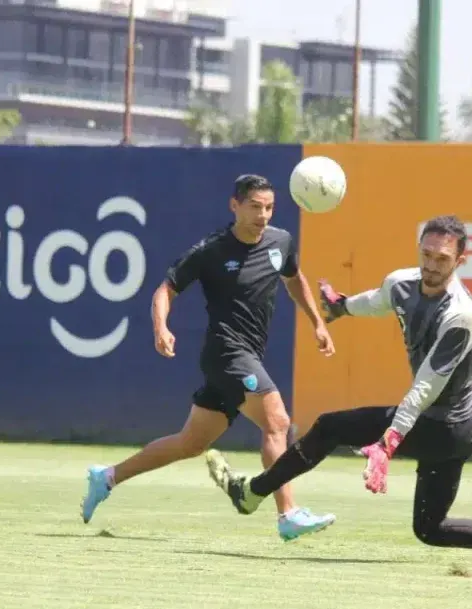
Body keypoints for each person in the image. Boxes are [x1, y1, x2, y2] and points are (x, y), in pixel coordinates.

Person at [204, 215, 472, 569]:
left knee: (330, 427)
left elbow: (426, 386)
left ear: (460, 261)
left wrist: (388, 442)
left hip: (447, 427)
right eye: (427, 254)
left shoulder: (460, 316)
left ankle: (251, 493)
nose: (432, 265)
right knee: (430, 529)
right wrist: (341, 307)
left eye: (442, 259)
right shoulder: (402, 283)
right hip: (445, 425)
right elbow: (378, 301)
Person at [81, 173, 339, 541]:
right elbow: (165, 289)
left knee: (191, 443)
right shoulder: (212, 249)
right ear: (234, 206)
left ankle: (106, 477)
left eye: (269, 208)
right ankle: (288, 514)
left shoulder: (281, 241)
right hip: (226, 352)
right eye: (254, 207)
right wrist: (161, 327)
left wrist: (318, 322)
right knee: (277, 422)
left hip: (247, 354)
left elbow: (294, 277)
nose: (262, 215)